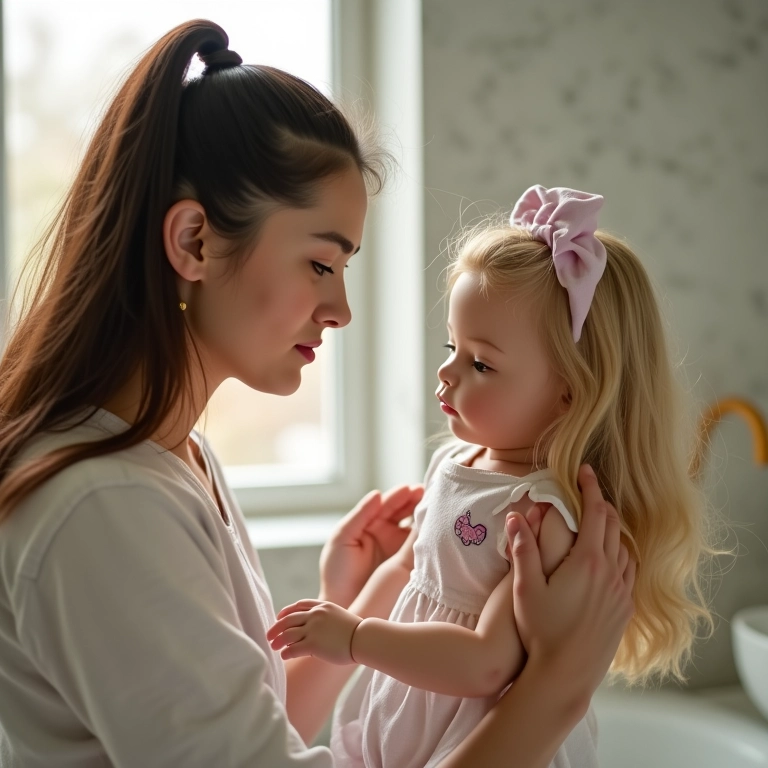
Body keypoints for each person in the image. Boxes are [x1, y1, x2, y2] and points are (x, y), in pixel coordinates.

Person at [0, 18, 634, 768]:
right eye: (321, 265)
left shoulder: (173, 455)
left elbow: (255, 740)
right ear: (194, 242)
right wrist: (556, 688)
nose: (341, 310)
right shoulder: (102, 505)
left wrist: (358, 603)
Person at [268, 186, 713, 768]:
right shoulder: (453, 463)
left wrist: (355, 640)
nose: (447, 371)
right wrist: (345, 624)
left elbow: (487, 660)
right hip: (410, 709)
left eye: (481, 363)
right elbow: (406, 571)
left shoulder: (541, 514)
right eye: (452, 345)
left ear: (568, 395)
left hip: (476, 734)